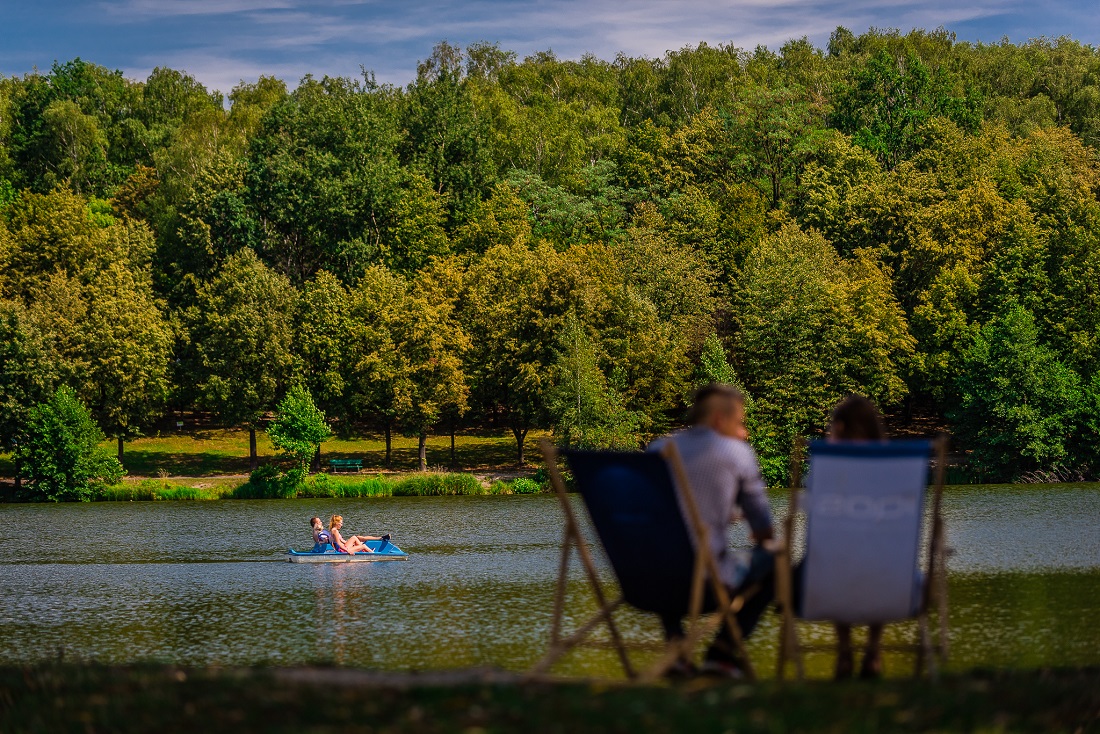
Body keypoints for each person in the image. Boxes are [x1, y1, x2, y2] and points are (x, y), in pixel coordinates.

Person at [648, 383, 775, 678]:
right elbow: (764, 527)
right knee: (775, 561)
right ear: (720, 419)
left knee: (667, 551)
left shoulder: (657, 449)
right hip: (706, 583)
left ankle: (677, 648)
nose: (742, 431)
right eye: (739, 422)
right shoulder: (736, 452)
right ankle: (722, 652)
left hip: (648, 582)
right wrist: (761, 534)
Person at [820, 394, 889, 679]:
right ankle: (873, 650)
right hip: (895, 583)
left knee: (839, 563)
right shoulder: (894, 469)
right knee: (880, 563)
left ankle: (845, 650)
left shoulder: (831, 470)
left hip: (829, 584)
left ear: (841, 429)